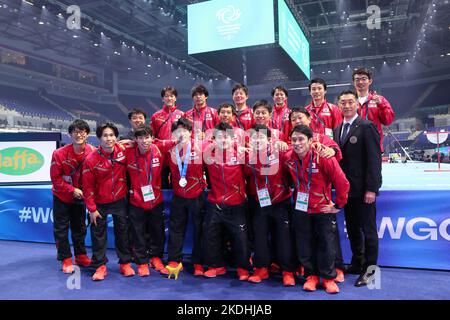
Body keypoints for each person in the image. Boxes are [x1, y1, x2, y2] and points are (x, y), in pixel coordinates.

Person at [283, 125, 350, 294]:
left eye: (301, 139)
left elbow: (342, 181)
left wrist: (338, 205)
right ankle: (311, 276)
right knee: (304, 244)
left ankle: (328, 278)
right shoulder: (288, 157)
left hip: (323, 208)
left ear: (310, 140)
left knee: (327, 245)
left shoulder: (323, 157)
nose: (297, 143)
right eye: (294, 140)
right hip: (301, 208)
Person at [333, 90, 382, 287]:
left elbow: (374, 160)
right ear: (338, 105)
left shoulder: (366, 126)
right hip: (346, 190)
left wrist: (372, 189)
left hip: (363, 190)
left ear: (356, 104)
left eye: (350, 102)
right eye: (343, 102)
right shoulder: (337, 129)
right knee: (352, 229)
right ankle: (357, 262)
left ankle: (370, 271)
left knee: (368, 231)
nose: (346, 105)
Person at [244, 124, 296, 286]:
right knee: (260, 237)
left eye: (260, 137)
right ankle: (261, 269)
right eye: (253, 138)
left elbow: (295, 164)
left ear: (268, 139)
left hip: (281, 201)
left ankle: (288, 271)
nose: (257, 140)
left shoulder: (281, 152)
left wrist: (286, 145)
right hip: (260, 202)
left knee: (284, 238)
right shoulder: (247, 157)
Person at [82, 123, 133, 281]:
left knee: (123, 233)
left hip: (120, 200)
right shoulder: (91, 159)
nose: (109, 138)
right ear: (99, 138)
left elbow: (145, 142)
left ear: (116, 137)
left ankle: (125, 263)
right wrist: (91, 208)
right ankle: (100, 266)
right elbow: (87, 186)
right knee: (98, 235)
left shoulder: (124, 151)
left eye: (111, 135)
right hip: (99, 203)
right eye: (105, 135)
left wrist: (133, 142)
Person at [202, 122, 251, 280]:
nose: (223, 140)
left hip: (236, 204)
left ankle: (243, 268)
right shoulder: (207, 154)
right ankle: (216, 266)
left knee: (240, 239)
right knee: (212, 236)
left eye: (227, 137)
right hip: (215, 202)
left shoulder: (242, 154)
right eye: (219, 137)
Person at [50, 119, 95, 274]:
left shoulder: (93, 152)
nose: (79, 134)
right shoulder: (59, 154)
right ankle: (66, 259)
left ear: (87, 134)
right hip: (62, 196)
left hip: (81, 198)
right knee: (61, 229)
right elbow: (55, 180)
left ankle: (81, 255)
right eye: (75, 131)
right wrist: (71, 190)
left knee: (80, 228)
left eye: (82, 131)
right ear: (69, 134)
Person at [124, 125, 169, 276]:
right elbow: (110, 146)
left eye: (147, 137)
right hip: (136, 200)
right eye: (140, 138)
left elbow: (177, 141)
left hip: (155, 199)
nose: (144, 141)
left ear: (152, 138)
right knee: (138, 232)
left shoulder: (159, 150)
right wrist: (125, 142)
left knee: (157, 230)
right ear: (136, 139)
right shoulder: (128, 152)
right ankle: (142, 262)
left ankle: (156, 257)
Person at [165, 118, 207, 276]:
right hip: (178, 196)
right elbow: (150, 142)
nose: (181, 134)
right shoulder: (170, 149)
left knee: (199, 229)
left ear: (190, 132)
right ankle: (174, 260)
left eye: (184, 130)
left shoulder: (202, 147)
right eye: (177, 131)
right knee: (176, 229)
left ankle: (198, 262)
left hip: (197, 195)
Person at [352, 67, 395, 152]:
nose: (360, 82)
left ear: (370, 81)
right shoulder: (349, 102)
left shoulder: (380, 100)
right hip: (354, 145)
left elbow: (388, 121)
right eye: (357, 79)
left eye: (364, 79)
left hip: (374, 145)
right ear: (353, 82)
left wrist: (381, 105)